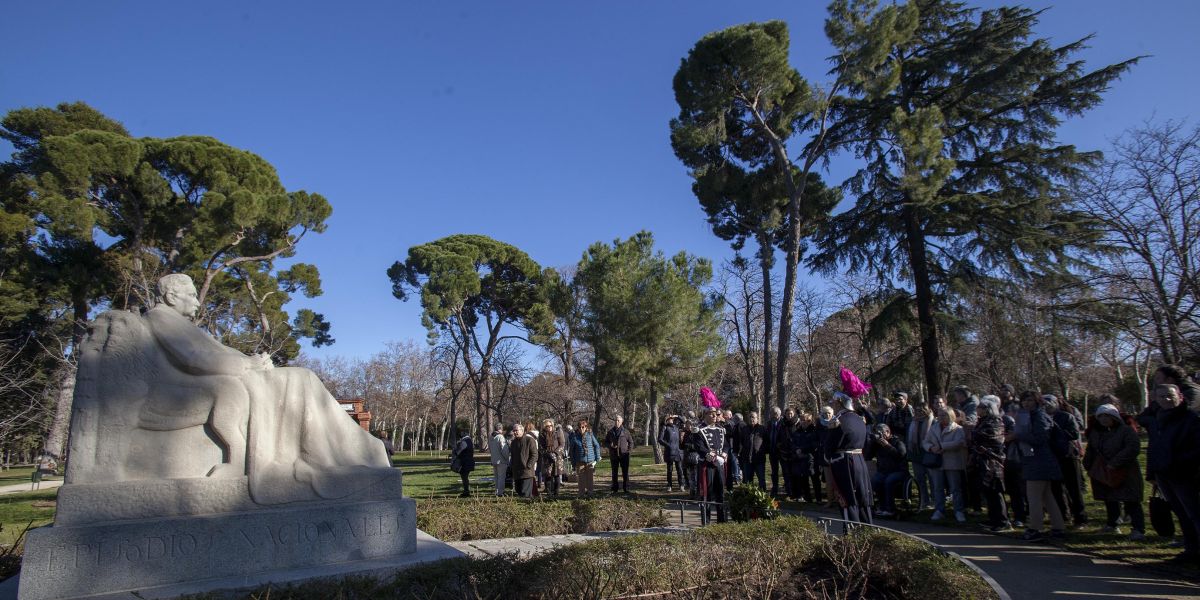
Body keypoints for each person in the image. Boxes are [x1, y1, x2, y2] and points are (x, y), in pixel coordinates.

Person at [1147, 384, 1200, 564]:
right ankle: (1191, 549)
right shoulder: (1158, 418)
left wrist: (1179, 461)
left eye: (1170, 396)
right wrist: (1153, 472)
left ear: (1180, 396)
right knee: (1181, 513)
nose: (1166, 399)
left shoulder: (1191, 419)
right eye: (1161, 396)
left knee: (1194, 513)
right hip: (1164, 473)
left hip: (1183, 473)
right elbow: (1154, 447)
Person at [1084, 401, 1145, 541]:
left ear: (1115, 417)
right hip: (1104, 471)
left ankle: (1138, 529)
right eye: (1101, 416)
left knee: (1131, 501)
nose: (1104, 419)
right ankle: (1113, 523)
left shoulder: (1126, 431)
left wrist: (1115, 462)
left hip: (1126, 471)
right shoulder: (1096, 433)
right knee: (1109, 498)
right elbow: (1091, 450)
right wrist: (1088, 465)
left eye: (1107, 416)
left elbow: (1133, 448)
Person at [1016, 390, 1065, 543]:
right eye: (1024, 401)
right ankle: (1058, 527)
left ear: (1037, 401)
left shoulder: (1040, 416)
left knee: (1034, 497)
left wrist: (1018, 435)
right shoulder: (1032, 416)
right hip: (1035, 460)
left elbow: (1041, 438)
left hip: (1040, 461)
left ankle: (1036, 528)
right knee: (1047, 496)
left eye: (1029, 400)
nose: (1026, 403)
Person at [824, 392, 873, 526]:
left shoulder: (838, 420)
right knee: (862, 499)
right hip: (860, 460)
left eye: (834, 402)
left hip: (844, 462)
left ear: (839, 403)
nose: (832, 405)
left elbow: (830, 444)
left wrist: (827, 457)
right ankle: (868, 530)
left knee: (846, 499)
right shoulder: (859, 418)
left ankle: (852, 535)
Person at [1044, 395, 1088, 526]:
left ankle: (1080, 518)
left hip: (1068, 456)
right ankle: (1063, 515)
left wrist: (1054, 429)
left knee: (1074, 488)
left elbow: (1074, 434)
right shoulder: (1041, 418)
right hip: (1051, 457)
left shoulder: (1066, 416)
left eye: (1049, 403)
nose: (1046, 406)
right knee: (1056, 489)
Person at [971, 396, 1010, 532]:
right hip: (982, 460)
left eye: (980, 408)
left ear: (987, 409)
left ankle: (1003, 520)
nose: (978, 410)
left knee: (995, 490)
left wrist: (976, 436)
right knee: (988, 490)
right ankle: (993, 518)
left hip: (993, 461)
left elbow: (992, 438)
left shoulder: (996, 422)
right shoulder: (982, 421)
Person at [926, 408, 968, 522]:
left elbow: (959, 442)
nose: (941, 417)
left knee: (955, 488)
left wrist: (942, 446)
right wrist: (931, 447)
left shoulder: (957, 429)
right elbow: (925, 442)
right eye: (939, 415)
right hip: (937, 462)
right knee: (938, 487)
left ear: (950, 415)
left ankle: (958, 511)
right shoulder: (933, 428)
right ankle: (939, 510)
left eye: (944, 415)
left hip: (952, 462)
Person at [865, 423, 907, 517]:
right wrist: (872, 443)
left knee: (888, 481)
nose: (878, 435)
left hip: (899, 471)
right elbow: (868, 456)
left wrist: (888, 446)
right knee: (875, 481)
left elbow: (901, 456)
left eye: (880, 432)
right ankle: (882, 506)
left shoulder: (897, 441)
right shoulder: (877, 444)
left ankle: (890, 509)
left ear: (887, 432)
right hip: (884, 471)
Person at [696, 409, 728, 523]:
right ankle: (706, 521)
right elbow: (700, 447)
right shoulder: (700, 430)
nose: (714, 415)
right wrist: (714, 457)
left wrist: (724, 454)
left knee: (720, 492)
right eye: (711, 413)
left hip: (719, 465)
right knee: (706, 493)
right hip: (707, 466)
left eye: (716, 414)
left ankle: (722, 520)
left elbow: (726, 445)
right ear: (705, 415)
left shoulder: (721, 429)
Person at [1002, 401, 1027, 528]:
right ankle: (1019, 515)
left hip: (1021, 460)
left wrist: (1011, 436)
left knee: (1021, 490)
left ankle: (1022, 516)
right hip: (1010, 460)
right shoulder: (1009, 423)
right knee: (1014, 491)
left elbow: (1010, 437)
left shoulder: (1023, 425)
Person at [907, 403, 934, 510]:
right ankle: (924, 500)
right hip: (916, 454)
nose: (919, 412)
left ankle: (934, 500)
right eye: (916, 410)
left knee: (932, 479)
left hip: (929, 453)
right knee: (920, 479)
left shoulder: (933, 421)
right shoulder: (913, 422)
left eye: (921, 410)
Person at [794, 412, 823, 503]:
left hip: (812, 459)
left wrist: (802, 450)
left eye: (806, 421)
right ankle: (808, 498)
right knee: (804, 479)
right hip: (800, 459)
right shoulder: (797, 431)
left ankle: (818, 498)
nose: (803, 422)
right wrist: (796, 450)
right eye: (802, 420)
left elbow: (815, 444)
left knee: (815, 479)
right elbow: (793, 443)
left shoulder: (814, 431)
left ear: (810, 421)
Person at [569, 419, 602, 497]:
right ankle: (581, 494)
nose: (581, 429)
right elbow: (571, 451)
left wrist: (597, 457)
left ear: (586, 427)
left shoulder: (590, 435)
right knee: (581, 479)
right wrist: (573, 462)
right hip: (580, 460)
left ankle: (590, 493)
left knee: (590, 478)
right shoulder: (575, 437)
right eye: (580, 427)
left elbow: (596, 445)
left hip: (590, 460)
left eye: (583, 427)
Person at [738, 412, 767, 490]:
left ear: (757, 418)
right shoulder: (744, 429)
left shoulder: (762, 429)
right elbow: (741, 442)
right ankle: (748, 496)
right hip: (747, 459)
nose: (752, 419)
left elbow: (767, 442)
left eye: (753, 417)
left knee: (761, 479)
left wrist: (762, 451)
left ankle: (763, 497)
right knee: (748, 480)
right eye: (750, 417)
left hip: (759, 459)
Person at [605, 416, 633, 493]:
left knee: (625, 472)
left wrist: (628, 451)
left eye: (618, 420)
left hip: (624, 455)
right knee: (614, 472)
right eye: (616, 420)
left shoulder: (626, 431)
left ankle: (626, 488)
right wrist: (610, 445)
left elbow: (631, 442)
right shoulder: (610, 432)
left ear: (621, 422)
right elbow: (606, 442)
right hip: (614, 455)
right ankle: (615, 488)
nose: (616, 422)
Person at [510, 423, 538, 498]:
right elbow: (512, 456)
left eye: (516, 430)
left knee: (525, 493)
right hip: (517, 472)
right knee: (519, 492)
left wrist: (528, 465)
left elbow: (535, 455)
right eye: (514, 431)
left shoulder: (529, 440)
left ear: (522, 430)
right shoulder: (513, 443)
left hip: (527, 472)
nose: (515, 432)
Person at [658, 415, 685, 492]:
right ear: (666, 420)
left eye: (672, 419)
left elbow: (683, 421)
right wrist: (668, 445)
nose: (671, 420)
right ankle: (669, 485)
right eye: (670, 419)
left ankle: (681, 485)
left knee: (679, 470)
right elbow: (660, 439)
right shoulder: (665, 427)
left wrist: (677, 416)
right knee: (669, 470)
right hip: (669, 452)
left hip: (678, 452)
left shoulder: (676, 427)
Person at [539, 420, 563, 497]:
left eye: (550, 426)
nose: (549, 427)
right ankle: (549, 493)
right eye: (547, 426)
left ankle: (556, 493)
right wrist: (547, 453)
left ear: (552, 425)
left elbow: (562, 444)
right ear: (544, 427)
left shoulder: (558, 432)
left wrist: (555, 453)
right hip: (547, 457)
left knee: (556, 475)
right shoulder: (542, 434)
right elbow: (540, 447)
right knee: (548, 476)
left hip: (557, 457)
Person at [766, 406, 785, 497]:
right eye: (771, 414)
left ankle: (788, 488)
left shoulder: (784, 422)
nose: (773, 415)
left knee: (785, 470)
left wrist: (781, 443)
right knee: (774, 471)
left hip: (782, 450)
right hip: (772, 450)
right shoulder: (769, 423)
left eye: (775, 414)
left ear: (779, 414)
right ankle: (775, 488)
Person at [488, 425, 510, 496]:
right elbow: (504, 449)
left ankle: (497, 491)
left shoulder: (491, 437)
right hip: (501, 460)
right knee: (501, 477)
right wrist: (507, 458)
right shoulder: (500, 437)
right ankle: (500, 492)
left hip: (494, 460)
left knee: (496, 477)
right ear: (501, 429)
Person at [452, 432, 475, 497]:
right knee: (465, 478)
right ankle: (466, 491)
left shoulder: (464, 442)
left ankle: (466, 491)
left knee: (464, 478)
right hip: (468, 462)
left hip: (464, 463)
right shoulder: (469, 441)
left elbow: (458, 452)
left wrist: (454, 450)